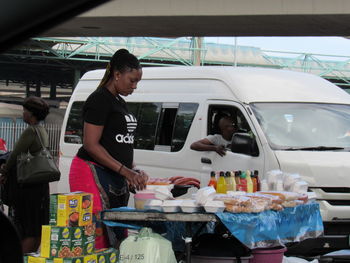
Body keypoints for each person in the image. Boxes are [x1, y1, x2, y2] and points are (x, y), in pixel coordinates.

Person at [68, 48, 149, 249]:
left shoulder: (119, 102)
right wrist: (126, 171)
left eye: (137, 81)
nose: (135, 86)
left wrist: (134, 170)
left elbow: (119, 142)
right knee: (98, 235)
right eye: (132, 80)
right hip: (91, 172)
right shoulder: (99, 99)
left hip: (114, 175)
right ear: (117, 74)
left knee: (117, 234)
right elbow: (91, 144)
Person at [0, 96, 50, 253]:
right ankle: (30, 256)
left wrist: (4, 171)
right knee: (36, 226)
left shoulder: (30, 131)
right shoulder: (42, 130)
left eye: (24, 111)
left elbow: (15, 155)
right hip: (40, 185)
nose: (23, 114)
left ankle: (21, 257)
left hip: (28, 186)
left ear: (32, 113)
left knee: (26, 226)